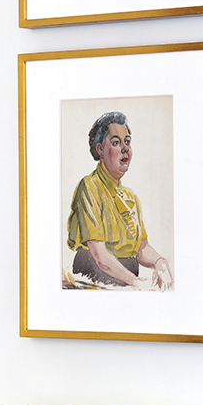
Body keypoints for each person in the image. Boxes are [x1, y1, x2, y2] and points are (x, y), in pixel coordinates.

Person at [67, 112, 173, 290]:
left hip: (129, 280)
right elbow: (100, 256)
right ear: (100, 149)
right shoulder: (89, 187)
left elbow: (141, 249)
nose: (125, 149)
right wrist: (136, 282)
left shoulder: (130, 197)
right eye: (116, 142)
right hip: (96, 278)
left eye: (128, 141)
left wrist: (159, 262)